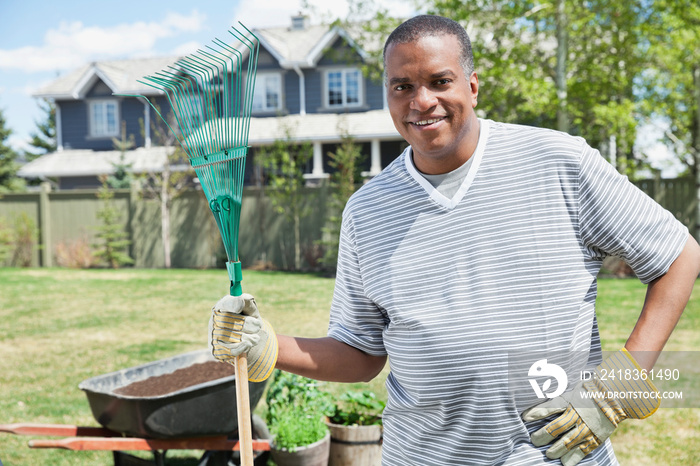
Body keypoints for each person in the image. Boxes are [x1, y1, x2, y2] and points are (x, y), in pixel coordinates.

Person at [209, 15, 700, 465]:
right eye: (402, 86)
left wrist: (616, 387)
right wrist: (268, 345)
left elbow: (679, 256)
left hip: (554, 456)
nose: (421, 101)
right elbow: (361, 353)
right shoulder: (367, 210)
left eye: (439, 82)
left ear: (472, 84)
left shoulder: (557, 163)